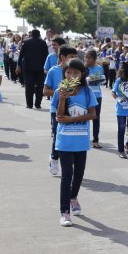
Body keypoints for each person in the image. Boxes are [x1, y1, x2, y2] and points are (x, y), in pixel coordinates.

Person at [52, 59, 98, 227]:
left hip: (81, 139)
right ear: (64, 74)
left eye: (76, 73)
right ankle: (64, 212)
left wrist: (73, 119)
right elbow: (59, 117)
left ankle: (73, 197)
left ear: (82, 75)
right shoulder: (60, 91)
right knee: (67, 176)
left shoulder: (87, 92)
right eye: (68, 72)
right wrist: (63, 98)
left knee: (79, 173)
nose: (71, 75)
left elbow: (93, 114)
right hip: (64, 140)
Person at [44, 44, 78, 175]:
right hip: (56, 108)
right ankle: (54, 158)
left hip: (73, 108)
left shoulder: (78, 72)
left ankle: (71, 162)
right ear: (63, 57)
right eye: (71, 57)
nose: (74, 59)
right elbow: (45, 91)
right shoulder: (53, 71)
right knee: (58, 134)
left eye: (76, 57)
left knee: (72, 134)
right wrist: (61, 92)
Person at [17, 29, 48, 109]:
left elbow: (21, 56)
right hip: (40, 68)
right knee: (40, 86)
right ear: (39, 35)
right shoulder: (43, 43)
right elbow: (46, 56)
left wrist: (18, 65)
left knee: (29, 87)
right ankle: (38, 104)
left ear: (31, 35)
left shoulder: (26, 43)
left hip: (28, 68)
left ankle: (29, 104)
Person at [85, 50, 105, 148]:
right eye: (86, 57)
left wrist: (92, 79)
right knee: (85, 117)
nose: (87, 60)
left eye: (89, 58)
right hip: (85, 96)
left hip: (97, 96)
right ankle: (84, 138)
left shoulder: (99, 68)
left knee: (96, 118)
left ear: (94, 59)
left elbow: (101, 79)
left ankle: (95, 139)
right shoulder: (83, 68)